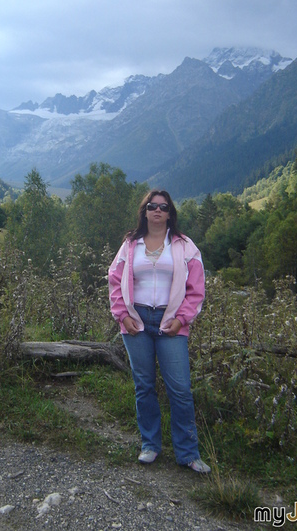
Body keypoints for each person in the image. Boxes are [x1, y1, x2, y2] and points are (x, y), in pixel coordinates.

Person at [108, 189, 211, 473]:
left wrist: (182, 319)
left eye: (163, 207)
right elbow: (115, 280)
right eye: (152, 206)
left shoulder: (185, 246)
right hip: (136, 321)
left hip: (171, 323)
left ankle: (188, 453)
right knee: (144, 386)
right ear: (144, 211)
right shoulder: (130, 244)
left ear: (170, 213)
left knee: (180, 389)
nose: (157, 210)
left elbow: (197, 288)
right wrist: (122, 315)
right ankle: (150, 445)